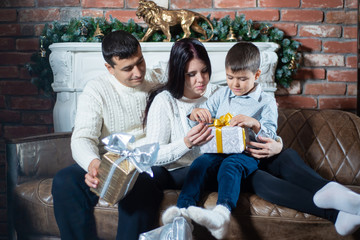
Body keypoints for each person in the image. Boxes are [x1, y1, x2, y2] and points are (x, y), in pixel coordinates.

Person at [143, 38, 360, 238]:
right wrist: (188, 133)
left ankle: (331, 198)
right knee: (236, 171)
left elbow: (267, 126)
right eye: (191, 74)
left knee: (282, 157)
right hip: (197, 166)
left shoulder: (222, 91)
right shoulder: (167, 101)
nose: (201, 80)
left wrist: (275, 144)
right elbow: (153, 155)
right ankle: (185, 215)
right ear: (178, 72)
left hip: (237, 156)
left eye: (205, 71)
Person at [51, 30, 171, 240]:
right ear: (110, 68)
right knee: (64, 181)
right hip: (109, 161)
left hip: (148, 162)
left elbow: (198, 85)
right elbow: (82, 138)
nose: (138, 72)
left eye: (140, 61)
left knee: (138, 184)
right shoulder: (96, 90)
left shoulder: (158, 79)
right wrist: (93, 164)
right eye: (127, 68)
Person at [162, 41, 278, 239]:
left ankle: (222, 215)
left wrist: (254, 124)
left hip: (246, 154)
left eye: (242, 79)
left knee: (230, 165)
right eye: (230, 77)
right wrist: (195, 114)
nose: (235, 84)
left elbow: (271, 135)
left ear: (257, 75)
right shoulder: (223, 94)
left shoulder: (266, 101)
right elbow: (203, 116)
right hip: (218, 151)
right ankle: (182, 214)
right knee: (200, 162)